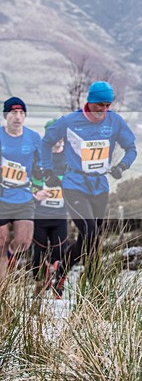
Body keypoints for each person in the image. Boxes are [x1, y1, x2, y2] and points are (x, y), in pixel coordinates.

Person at [41, 81, 137, 294]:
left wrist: (122, 166)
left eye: (107, 106)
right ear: (90, 102)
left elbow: (131, 148)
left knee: (89, 240)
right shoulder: (69, 122)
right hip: (74, 185)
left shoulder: (114, 121)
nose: (103, 111)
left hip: (100, 187)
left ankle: (62, 270)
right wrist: (48, 170)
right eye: (99, 105)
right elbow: (46, 143)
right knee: (90, 231)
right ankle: (95, 287)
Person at [0, 97, 42, 285]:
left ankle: (11, 257)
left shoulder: (33, 138)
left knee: (24, 241)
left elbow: (44, 164)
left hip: (24, 196)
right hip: (2, 197)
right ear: (5, 115)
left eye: (21, 113)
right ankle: (3, 287)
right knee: (0, 242)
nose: (17, 117)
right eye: (13, 113)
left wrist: (39, 187)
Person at [30, 119, 70, 297]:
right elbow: (28, 181)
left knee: (60, 252)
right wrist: (36, 191)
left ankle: (58, 284)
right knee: (37, 253)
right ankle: (41, 281)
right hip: (39, 214)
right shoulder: (38, 158)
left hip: (60, 215)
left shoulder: (69, 159)